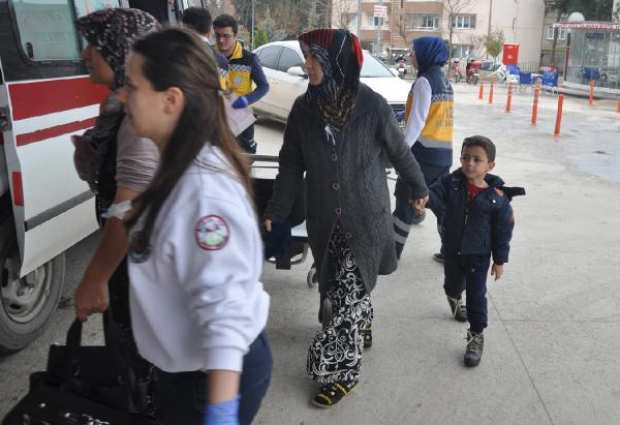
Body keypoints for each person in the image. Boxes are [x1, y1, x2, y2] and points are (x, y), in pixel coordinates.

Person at [264, 29, 428, 408]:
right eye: (306, 56)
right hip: (325, 219)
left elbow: (399, 151)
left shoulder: (371, 105)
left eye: (313, 57)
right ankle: (361, 320)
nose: (306, 65)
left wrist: (418, 187)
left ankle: (342, 372)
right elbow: (290, 166)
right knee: (340, 286)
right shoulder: (304, 110)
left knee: (341, 298)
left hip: (366, 217)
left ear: (336, 61)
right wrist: (277, 209)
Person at [121, 28, 272, 425]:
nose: (122, 97)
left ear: (171, 100)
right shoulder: (179, 162)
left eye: (132, 87)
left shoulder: (205, 194)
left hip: (210, 377)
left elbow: (226, 312)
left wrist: (220, 413)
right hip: (186, 371)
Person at [72, 8, 160, 416]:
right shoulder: (118, 109)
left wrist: (95, 277)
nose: (86, 54)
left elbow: (128, 208)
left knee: (138, 367)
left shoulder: (137, 120)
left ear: (122, 51)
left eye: (95, 44)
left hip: (138, 267)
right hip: (134, 264)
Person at [415, 136, 520, 367]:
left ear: (490, 165)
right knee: (453, 284)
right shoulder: (451, 182)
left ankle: (476, 335)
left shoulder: (497, 197)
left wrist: (499, 260)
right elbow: (434, 194)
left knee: (476, 296)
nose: (470, 163)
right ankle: (453, 297)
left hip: (478, 256)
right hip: (452, 251)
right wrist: (425, 200)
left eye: (477, 159)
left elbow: (503, 231)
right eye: (465, 157)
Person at [392, 36, 454, 263]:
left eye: (414, 52)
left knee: (405, 202)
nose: (411, 56)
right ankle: (452, 252)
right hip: (443, 155)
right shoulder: (445, 82)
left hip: (422, 155)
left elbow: (417, 123)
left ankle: (391, 254)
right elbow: (432, 116)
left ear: (426, 54)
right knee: (440, 204)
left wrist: (400, 153)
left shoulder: (424, 82)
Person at [213, 14, 269, 154]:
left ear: (236, 35)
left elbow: (264, 86)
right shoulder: (208, 55)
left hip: (241, 121)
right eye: (217, 35)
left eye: (226, 36)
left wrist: (246, 100)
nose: (221, 40)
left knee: (243, 160)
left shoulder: (249, 59)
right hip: (214, 120)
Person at [181, 6, 230, 90]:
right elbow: (223, 92)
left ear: (183, 28)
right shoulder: (221, 61)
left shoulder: (171, 53)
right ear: (210, 30)